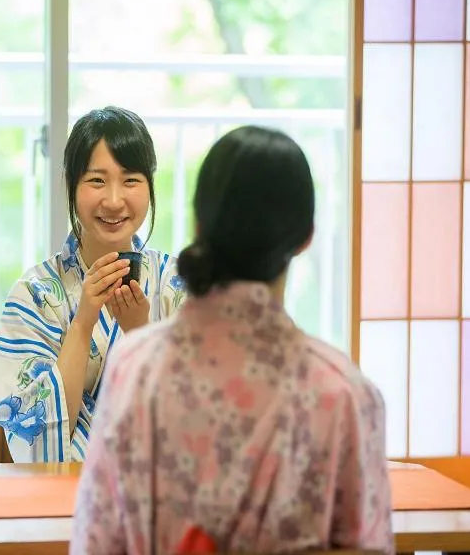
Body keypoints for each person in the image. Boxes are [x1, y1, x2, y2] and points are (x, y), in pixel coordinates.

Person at [71, 126, 394, 554]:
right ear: (305, 237)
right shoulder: (344, 393)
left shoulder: (135, 368)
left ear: (198, 225)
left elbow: (96, 543)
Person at [0, 106, 186, 463]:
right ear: (70, 184)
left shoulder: (178, 285)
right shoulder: (35, 294)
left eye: (131, 180)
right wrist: (83, 322)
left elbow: (198, 420)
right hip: (61, 491)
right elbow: (33, 439)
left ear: (150, 185)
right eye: (96, 181)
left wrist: (140, 333)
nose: (114, 200)